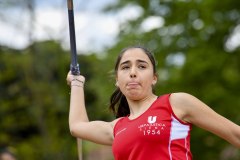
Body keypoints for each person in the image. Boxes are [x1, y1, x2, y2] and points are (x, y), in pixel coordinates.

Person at [66, 45, 240, 159]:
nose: (133, 72)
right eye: (126, 67)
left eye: (142, 66)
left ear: (154, 78)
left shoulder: (176, 103)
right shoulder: (116, 128)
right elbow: (77, 126)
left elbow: (235, 134)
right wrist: (76, 83)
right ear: (117, 80)